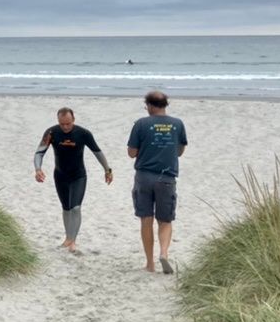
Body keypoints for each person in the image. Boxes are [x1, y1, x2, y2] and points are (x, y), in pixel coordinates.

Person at [34, 107, 112, 253]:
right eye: (62, 124)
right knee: (66, 208)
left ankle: (73, 241)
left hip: (78, 176)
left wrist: (107, 170)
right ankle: (68, 238)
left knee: (76, 208)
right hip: (60, 175)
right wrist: (38, 169)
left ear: (73, 120)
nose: (65, 127)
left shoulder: (83, 133)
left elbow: (97, 152)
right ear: (58, 121)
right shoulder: (51, 132)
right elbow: (39, 152)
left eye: (68, 124)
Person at [127, 91, 188, 274]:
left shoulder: (141, 124)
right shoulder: (177, 124)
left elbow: (131, 152)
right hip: (166, 177)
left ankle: (150, 263)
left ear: (150, 106)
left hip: (144, 176)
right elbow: (179, 151)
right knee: (165, 220)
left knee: (146, 219)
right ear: (165, 104)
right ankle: (164, 253)